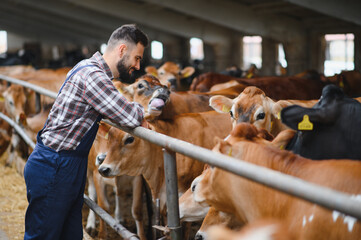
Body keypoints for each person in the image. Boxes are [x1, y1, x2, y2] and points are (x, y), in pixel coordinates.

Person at [23, 24, 149, 240]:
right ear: (121, 50)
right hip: (55, 167)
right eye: (137, 58)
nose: (138, 66)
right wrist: (147, 110)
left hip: (66, 165)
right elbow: (129, 114)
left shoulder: (86, 67)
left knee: (70, 235)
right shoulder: (93, 76)